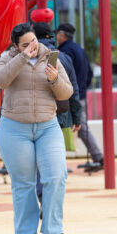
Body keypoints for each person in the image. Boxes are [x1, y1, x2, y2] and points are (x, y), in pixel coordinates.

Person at [0, 23, 73, 234]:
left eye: (33, 41)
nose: (32, 47)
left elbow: (67, 92)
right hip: (15, 128)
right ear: (16, 47)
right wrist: (21, 58)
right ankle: (26, 233)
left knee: (56, 176)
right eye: (25, 45)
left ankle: (53, 228)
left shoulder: (51, 57)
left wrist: (55, 79)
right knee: (23, 183)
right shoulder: (6, 59)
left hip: (48, 126)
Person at [33, 21, 82, 181]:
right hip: (60, 110)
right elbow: (73, 88)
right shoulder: (64, 57)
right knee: (55, 149)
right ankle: (57, 178)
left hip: (35, 112)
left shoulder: (29, 57)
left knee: (37, 151)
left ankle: (41, 182)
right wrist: (76, 117)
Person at [55, 23, 103, 171]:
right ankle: (97, 157)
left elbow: (65, 74)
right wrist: (82, 88)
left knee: (76, 126)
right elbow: (89, 73)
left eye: (57, 34)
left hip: (70, 95)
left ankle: (99, 157)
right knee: (79, 126)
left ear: (62, 35)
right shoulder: (79, 49)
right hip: (80, 93)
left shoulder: (64, 52)